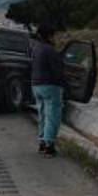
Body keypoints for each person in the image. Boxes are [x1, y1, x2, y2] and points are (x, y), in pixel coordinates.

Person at [30, 23, 65, 157]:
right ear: (50, 35)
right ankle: (49, 146)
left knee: (43, 115)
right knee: (53, 116)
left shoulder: (36, 49)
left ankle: (42, 143)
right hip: (50, 86)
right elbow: (57, 70)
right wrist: (64, 83)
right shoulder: (50, 50)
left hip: (36, 85)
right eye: (54, 35)